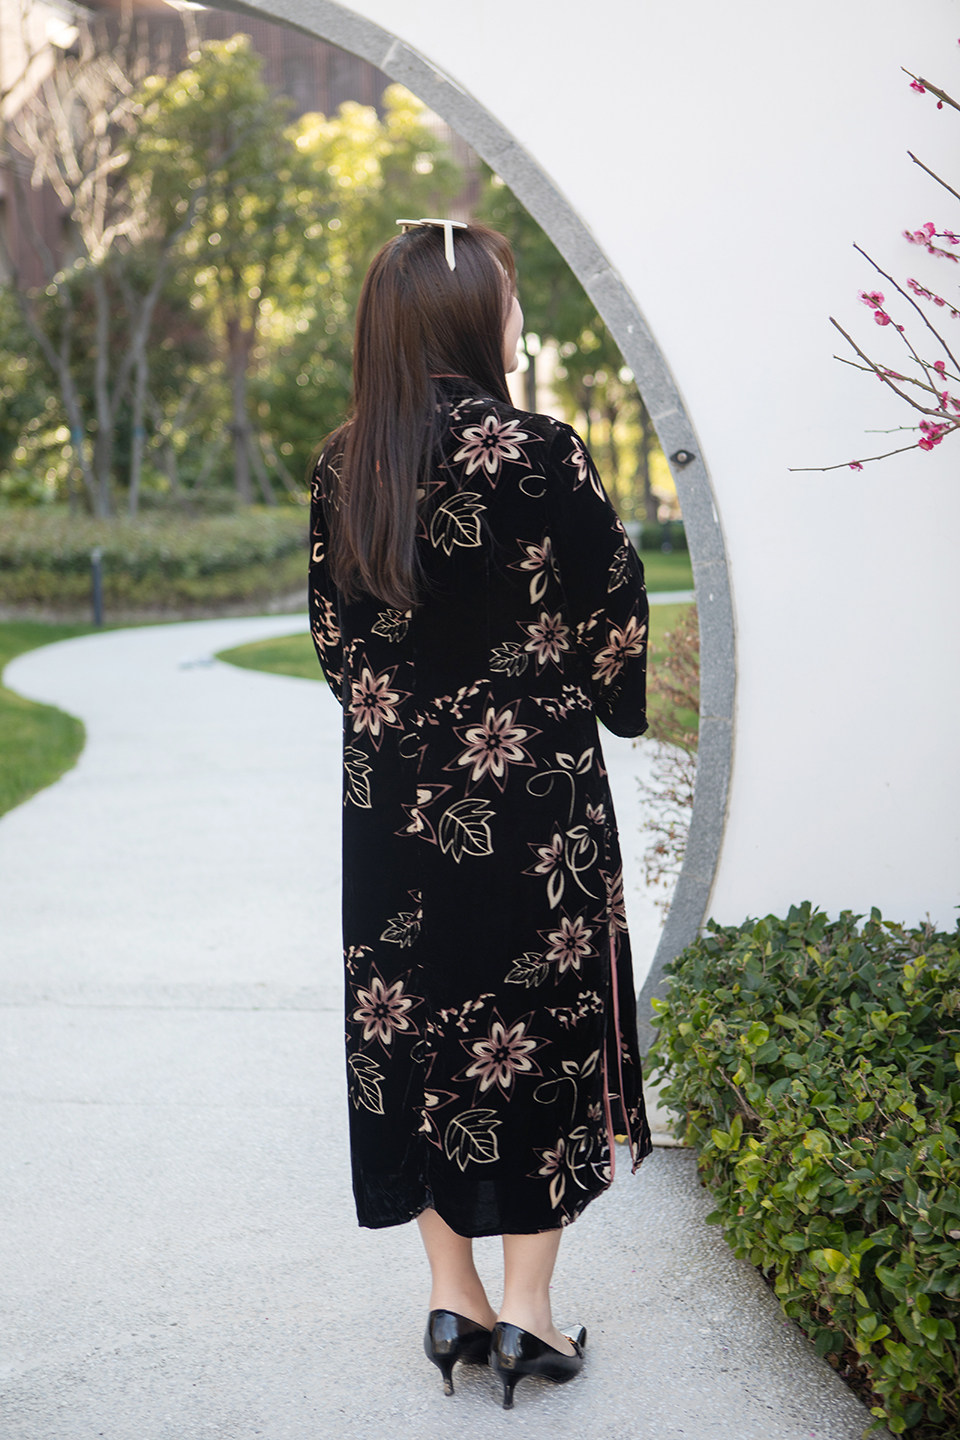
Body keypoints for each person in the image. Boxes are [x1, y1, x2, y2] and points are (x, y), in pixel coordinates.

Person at [308, 217, 652, 1409]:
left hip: (392, 806)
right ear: (469, 316)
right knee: (536, 1031)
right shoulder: (542, 451)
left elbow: (336, 643)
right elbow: (615, 604)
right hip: (531, 803)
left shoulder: (345, 462)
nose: (516, 317)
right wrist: (608, 701)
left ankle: (451, 1297)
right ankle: (529, 1316)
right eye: (506, 298)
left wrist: (405, 721)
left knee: (413, 1031)